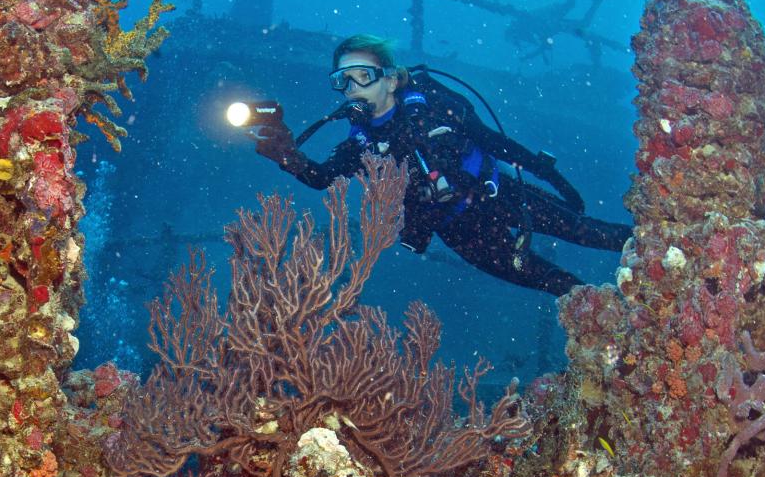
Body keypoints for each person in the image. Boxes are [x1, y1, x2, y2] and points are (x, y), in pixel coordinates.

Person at [249, 34, 631, 296]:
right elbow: (321, 178)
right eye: (342, 81)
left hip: (499, 193)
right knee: (560, 285)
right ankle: (616, 322)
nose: (352, 88)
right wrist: (287, 155)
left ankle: (660, 252)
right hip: (461, 233)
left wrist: (552, 178)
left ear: (392, 80)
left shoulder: (436, 107)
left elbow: (494, 143)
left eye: (362, 76)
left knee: (593, 233)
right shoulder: (360, 143)